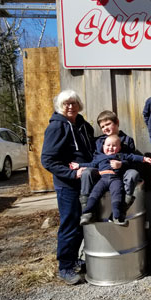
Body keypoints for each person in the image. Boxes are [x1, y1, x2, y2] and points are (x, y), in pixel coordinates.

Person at [41, 89, 95, 285]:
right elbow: (47, 160)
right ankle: (64, 267)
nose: (70, 106)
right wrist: (72, 173)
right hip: (68, 185)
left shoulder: (83, 125)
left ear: (79, 105)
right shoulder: (57, 128)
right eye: (66, 104)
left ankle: (74, 260)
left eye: (73, 103)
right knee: (70, 224)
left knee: (82, 223)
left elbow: (91, 151)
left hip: (85, 183)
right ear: (60, 107)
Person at [80, 110, 151, 214]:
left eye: (108, 124)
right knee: (87, 172)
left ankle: (125, 204)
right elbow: (95, 159)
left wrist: (121, 164)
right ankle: (87, 209)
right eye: (102, 127)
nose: (105, 128)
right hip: (102, 172)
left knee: (133, 173)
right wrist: (82, 166)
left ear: (117, 122)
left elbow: (132, 160)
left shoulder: (127, 140)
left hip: (120, 173)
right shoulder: (99, 141)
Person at [72, 135, 151, 226]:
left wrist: (144, 158)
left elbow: (132, 157)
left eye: (114, 146)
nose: (110, 148)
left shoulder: (120, 156)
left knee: (116, 195)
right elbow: (91, 164)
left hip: (115, 179)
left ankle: (116, 216)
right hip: (102, 179)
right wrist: (78, 165)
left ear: (119, 148)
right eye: (108, 145)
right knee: (95, 193)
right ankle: (87, 211)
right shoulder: (99, 157)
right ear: (103, 147)